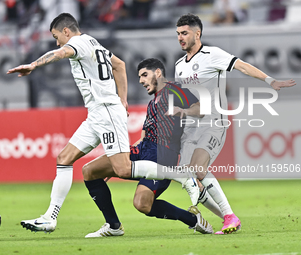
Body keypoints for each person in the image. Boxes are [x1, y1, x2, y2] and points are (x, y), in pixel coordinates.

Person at [7, 13, 193, 233]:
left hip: (105, 111)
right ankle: (52, 217)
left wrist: (34, 64)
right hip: (96, 113)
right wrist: (122, 99)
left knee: (123, 169)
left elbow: (62, 52)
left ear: (66, 31)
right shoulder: (93, 43)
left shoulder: (76, 43)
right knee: (64, 158)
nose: (57, 41)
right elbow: (120, 65)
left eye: (57, 36)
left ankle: (180, 175)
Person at [172, 13, 296, 234]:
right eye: (178, 34)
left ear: (197, 33)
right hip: (191, 126)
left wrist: (270, 80)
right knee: (188, 177)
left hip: (214, 122)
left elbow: (243, 66)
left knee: (199, 168)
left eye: (184, 33)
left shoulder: (213, 54)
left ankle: (229, 216)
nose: (180, 37)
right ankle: (228, 217)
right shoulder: (180, 65)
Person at [82, 58, 214, 237]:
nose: (141, 81)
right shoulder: (152, 103)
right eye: (139, 77)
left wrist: (184, 111)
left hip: (163, 156)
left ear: (158, 73)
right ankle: (113, 225)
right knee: (90, 170)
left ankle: (192, 219)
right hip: (144, 150)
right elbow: (143, 137)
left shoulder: (173, 90)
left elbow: (202, 108)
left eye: (144, 75)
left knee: (142, 204)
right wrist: (118, 164)